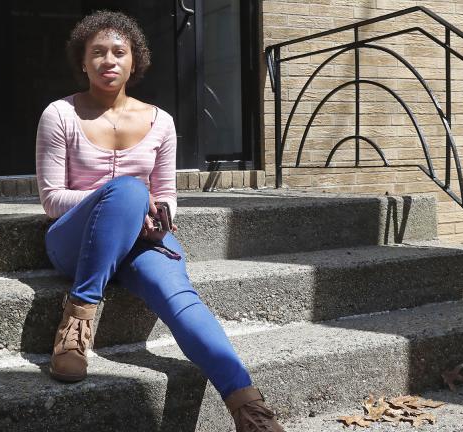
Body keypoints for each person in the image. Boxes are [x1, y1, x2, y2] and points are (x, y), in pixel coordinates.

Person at [36, 10, 284, 432]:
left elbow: (166, 194)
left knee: (181, 300)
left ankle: (249, 409)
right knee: (130, 190)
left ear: (135, 61)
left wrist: (161, 219)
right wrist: (125, 201)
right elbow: (52, 199)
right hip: (74, 241)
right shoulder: (59, 115)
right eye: (97, 52)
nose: (108, 60)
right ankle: (78, 318)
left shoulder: (161, 121)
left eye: (119, 51)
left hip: (139, 242)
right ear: (83, 61)